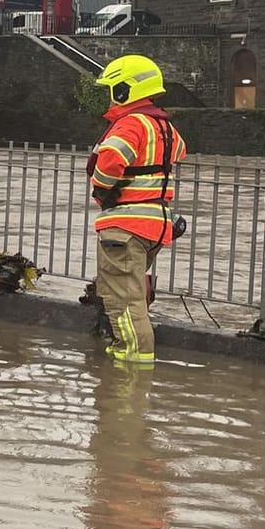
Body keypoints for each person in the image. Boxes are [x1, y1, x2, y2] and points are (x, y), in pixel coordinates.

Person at [88, 54, 189, 369]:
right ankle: (128, 355)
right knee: (134, 293)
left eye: (113, 87)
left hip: (125, 226)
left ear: (124, 90)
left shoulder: (131, 123)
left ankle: (132, 366)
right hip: (155, 224)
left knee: (125, 300)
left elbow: (110, 159)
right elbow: (181, 151)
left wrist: (102, 189)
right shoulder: (165, 126)